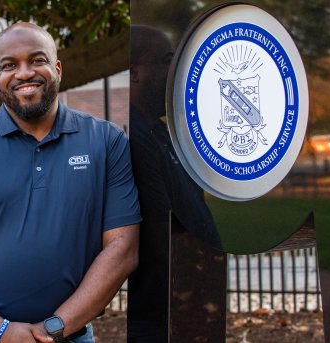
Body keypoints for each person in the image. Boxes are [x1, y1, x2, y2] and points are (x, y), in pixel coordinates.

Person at [0, 22, 141, 343]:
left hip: (68, 334)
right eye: (9, 65)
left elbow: (122, 248)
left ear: (57, 68)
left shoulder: (106, 142)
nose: (23, 73)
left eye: (37, 60)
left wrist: (55, 328)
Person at [127, 25, 220, 343]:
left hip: (189, 304)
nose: (176, 69)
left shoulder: (163, 133)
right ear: (133, 74)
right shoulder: (133, 139)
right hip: (159, 317)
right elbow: (160, 225)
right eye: (167, 60)